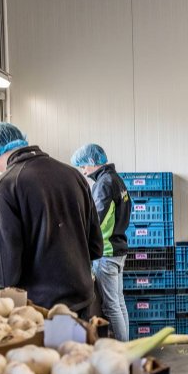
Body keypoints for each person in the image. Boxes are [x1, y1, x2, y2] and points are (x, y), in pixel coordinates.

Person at [0, 122, 103, 315]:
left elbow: (6, 276)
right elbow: (96, 247)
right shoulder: (73, 175)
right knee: (78, 346)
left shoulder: (3, 186)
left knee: (53, 347)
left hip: (42, 310)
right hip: (83, 301)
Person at [70, 144, 132, 341]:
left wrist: (81, 240)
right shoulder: (116, 179)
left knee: (111, 306)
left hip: (106, 251)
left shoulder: (104, 183)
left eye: (83, 166)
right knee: (119, 302)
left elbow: (97, 219)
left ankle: (122, 350)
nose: (84, 171)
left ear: (92, 162)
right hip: (118, 247)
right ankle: (126, 345)